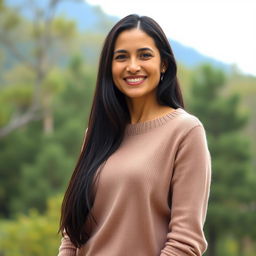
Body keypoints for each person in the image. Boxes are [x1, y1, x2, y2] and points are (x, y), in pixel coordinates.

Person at [58, 14, 211, 256]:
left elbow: (185, 242)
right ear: (110, 67)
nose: (132, 66)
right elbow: (73, 234)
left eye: (144, 55)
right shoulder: (97, 134)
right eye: (121, 57)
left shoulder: (185, 132)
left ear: (164, 64)